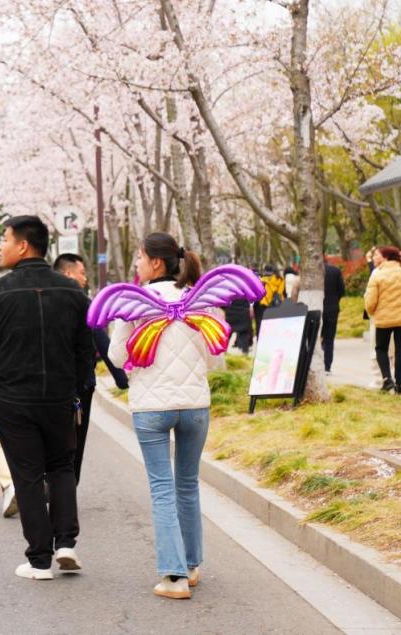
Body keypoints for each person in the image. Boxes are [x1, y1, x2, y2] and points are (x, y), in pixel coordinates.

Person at [0, 216, 94, 580]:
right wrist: (76, 391)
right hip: (59, 396)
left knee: (26, 475)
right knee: (61, 467)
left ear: (23, 245)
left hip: (13, 399)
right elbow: (84, 350)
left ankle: (40, 559)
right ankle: (67, 543)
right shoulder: (73, 293)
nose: (0, 246)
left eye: (4, 239)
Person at [108, 233, 220, 600]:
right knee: (187, 484)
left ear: (156, 263)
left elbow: (117, 354)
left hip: (152, 407)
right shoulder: (200, 299)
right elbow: (215, 356)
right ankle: (191, 566)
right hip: (195, 406)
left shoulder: (136, 303)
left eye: (139, 258)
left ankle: (173, 579)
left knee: (161, 489)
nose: (136, 265)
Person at [52, 252, 127, 484]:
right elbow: (102, 342)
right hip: (80, 386)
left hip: (47, 386)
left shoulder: (42, 301)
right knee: (76, 440)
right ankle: (68, 485)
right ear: (68, 273)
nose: (85, 279)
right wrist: (122, 379)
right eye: (82, 273)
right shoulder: (84, 303)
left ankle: (51, 482)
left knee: (51, 439)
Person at [364, 246, 401, 393]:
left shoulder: (377, 275)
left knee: (381, 349)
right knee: (400, 350)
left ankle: (387, 380)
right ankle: (400, 384)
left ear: (385, 257)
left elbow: (370, 302)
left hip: (383, 320)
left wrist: (372, 312)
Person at [321, 257, 346, 373]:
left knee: (314, 337)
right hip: (332, 308)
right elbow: (342, 290)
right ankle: (327, 366)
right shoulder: (335, 270)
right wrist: (335, 300)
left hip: (316, 309)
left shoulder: (311, 272)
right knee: (329, 338)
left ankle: (315, 364)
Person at [254, 265, 284, 337]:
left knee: (260, 325)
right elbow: (280, 292)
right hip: (275, 305)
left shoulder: (261, 280)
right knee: (274, 325)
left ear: (264, 271)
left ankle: (260, 341)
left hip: (262, 305)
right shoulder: (280, 279)